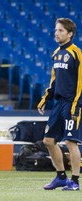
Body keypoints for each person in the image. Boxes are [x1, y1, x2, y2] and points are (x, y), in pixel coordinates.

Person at [37, 18, 82, 191]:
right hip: (58, 103)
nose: (56, 33)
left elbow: (80, 83)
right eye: (56, 30)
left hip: (72, 104)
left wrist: (75, 106)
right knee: (48, 140)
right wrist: (44, 99)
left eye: (61, 30)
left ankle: (75, 181)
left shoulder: (76, 53)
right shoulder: (56, 53)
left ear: (70, 34)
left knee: (71, 142)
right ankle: (61, 177)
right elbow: (54, 81)